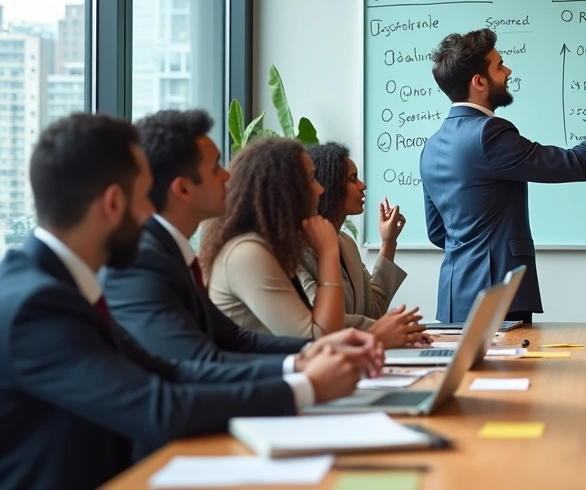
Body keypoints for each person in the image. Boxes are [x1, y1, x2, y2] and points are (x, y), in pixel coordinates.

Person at [0, 114, 374, 490]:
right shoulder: (38, 306)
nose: (152, 212)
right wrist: (305, 386)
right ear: (113, 203)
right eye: (144, 197)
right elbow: (160, 407)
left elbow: (171, 370)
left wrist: (301, 361)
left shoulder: (61, 285)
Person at [102, 110, 383, 370]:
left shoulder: (173, 252)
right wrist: (306, 367)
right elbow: (198, 363)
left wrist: (312, 356)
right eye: (216, 168)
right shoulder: (150, 260)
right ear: (183, 188)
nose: (228, 175)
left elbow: (235, 340)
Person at [420, 28, 586, 323]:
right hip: (496, 295)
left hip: (452, 298)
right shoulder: (488, 134)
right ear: (479, 82)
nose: (508, 71)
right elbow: (577, 164)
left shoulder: (431, 146)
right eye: (499, 66)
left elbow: (438, 232)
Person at [203, 137, 427, 346]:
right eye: (311, 179)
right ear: (285, 189)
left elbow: (367, 312)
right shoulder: (250, 253)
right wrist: (377, 333)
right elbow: (315, 333)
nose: (320, 189)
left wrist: (388, 242)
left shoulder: (339, 244)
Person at [297, 142, 413, 331]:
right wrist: (389, 327)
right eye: (353, 178)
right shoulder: (296, 251)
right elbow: (323, 322)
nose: (362, 186)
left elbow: (373, 311)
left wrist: (389, 241)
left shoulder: (346, 244)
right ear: (328, 184)